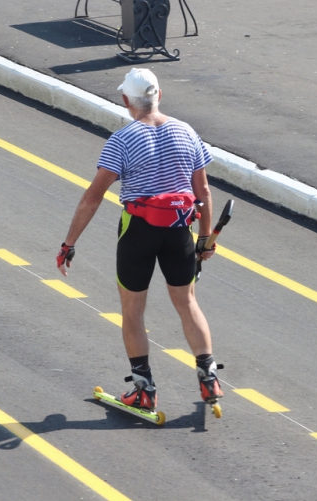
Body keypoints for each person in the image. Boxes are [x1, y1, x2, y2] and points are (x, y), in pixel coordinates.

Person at [56, 67, 223, 411]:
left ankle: (144, 390)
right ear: (159, 95)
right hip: (180, 230)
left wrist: (69, 243)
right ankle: (209, 377)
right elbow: (203, 191)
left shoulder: (122, 140)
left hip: (139, 231)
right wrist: (205, 238)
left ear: (125, 100)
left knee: (133, 310)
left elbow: (93, 196)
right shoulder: (186, 131)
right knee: (187, 302)